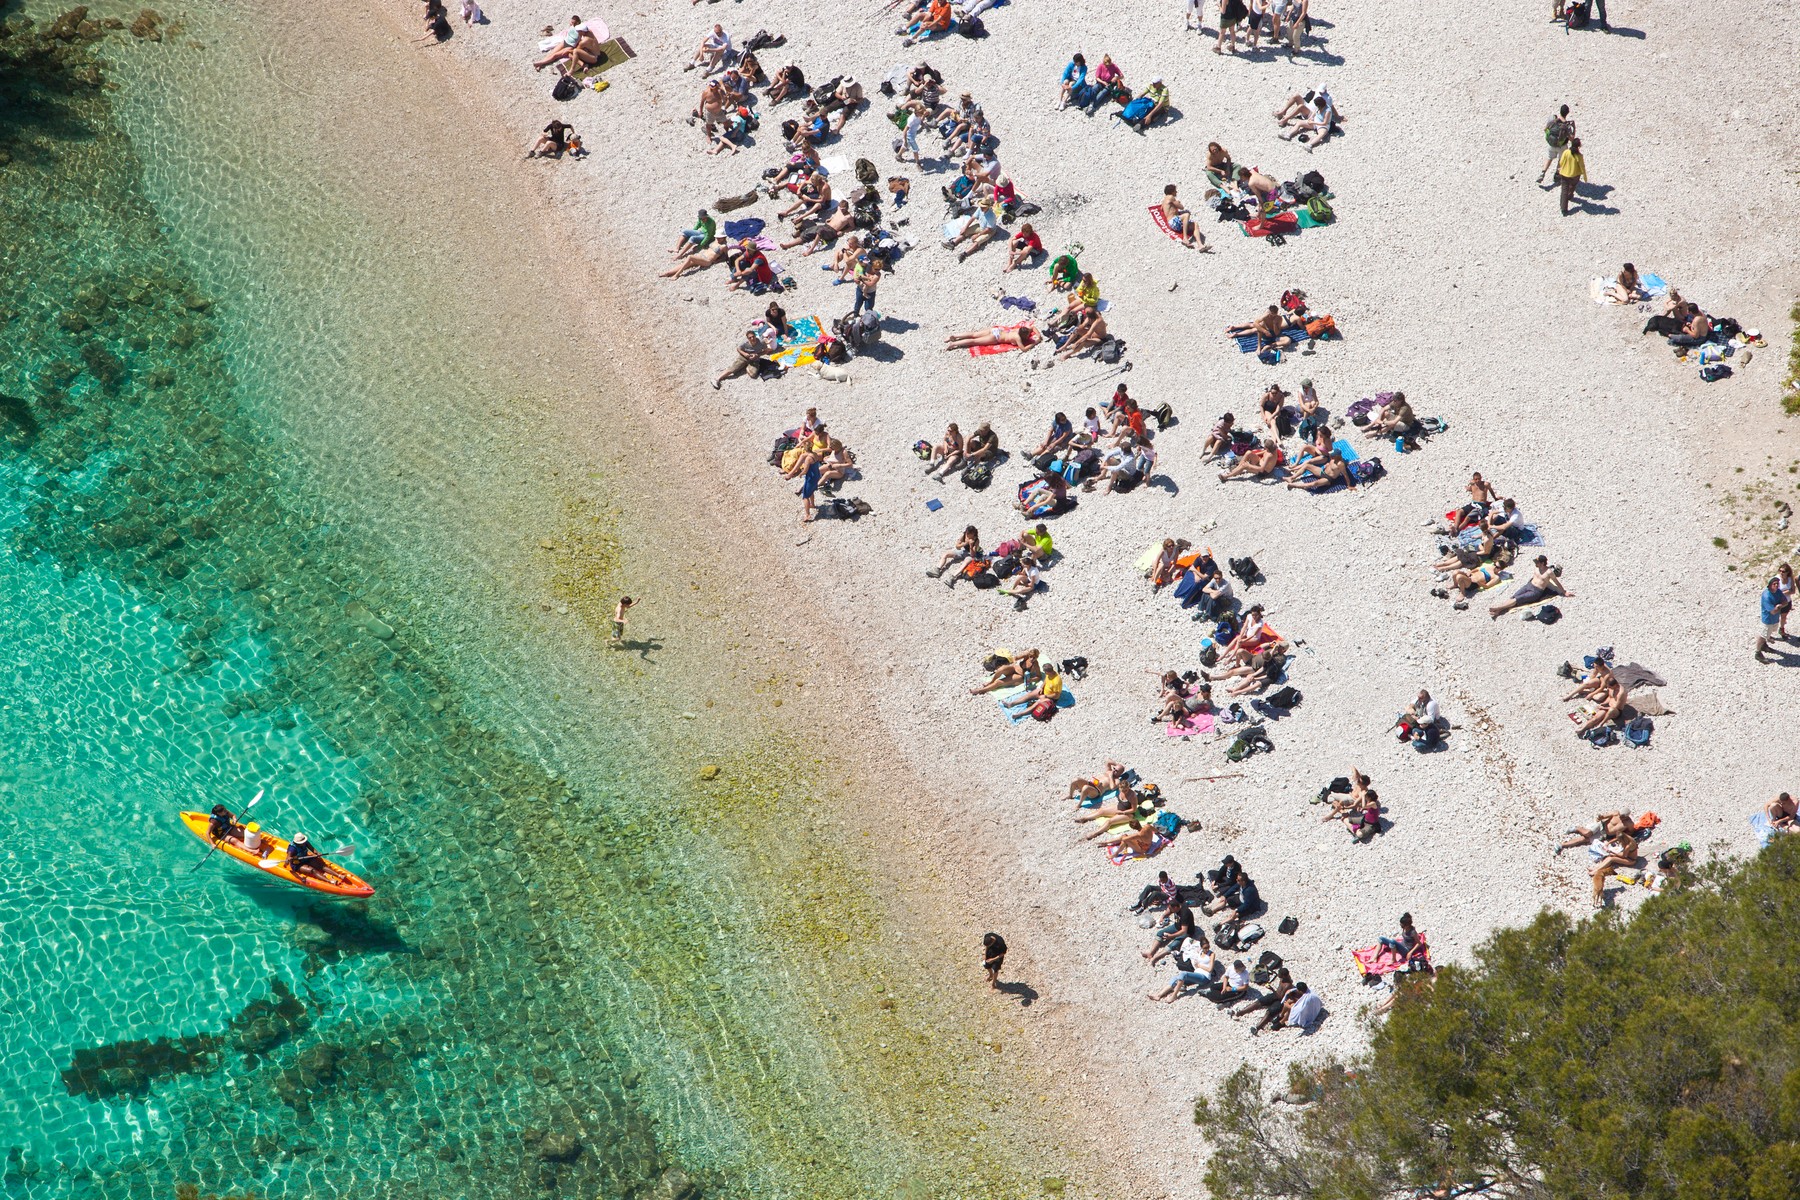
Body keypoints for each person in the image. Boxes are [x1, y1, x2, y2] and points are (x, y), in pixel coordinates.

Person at [1489, 555, 1570, 618]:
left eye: (1537, 562)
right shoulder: (1537, 568)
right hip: (1529, 585)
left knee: (1517, 599)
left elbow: (1557, 582)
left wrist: (1564, 592)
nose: (1535, 563)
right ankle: (1499, 610)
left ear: (1542, 563)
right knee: (1513, 597)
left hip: (1536, 591)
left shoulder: (1549, 572)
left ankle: (1498, 608)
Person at [1159, 184, 1211, 251]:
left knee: (1195, 225)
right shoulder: (1171, 197)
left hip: (1173, 222)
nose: (1176, 192)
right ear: (1172, 191)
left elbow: (1162, 208)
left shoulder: (1164, 200)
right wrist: (1177, 203)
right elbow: (1181, 207)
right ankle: (1185, 238)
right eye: (1175, 191)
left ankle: (1200, 245)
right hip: (1173, 221)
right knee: (1186, 215)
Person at [1538, 104, 1574, 186]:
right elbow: (1571, 139)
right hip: (1562, 146)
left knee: (1549, 158)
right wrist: (1573, 128)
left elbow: (1545, 129)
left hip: (1551, 144)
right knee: (1561, 160)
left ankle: (1543, 172)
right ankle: (1557, 175)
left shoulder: (1553, 121)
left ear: (1560, 111)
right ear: (1567, 113)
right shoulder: (1566, 125)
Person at [1757, 577, 1791, 662]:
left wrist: (1779, 606)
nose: (1776, 585)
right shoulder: (1766, 596)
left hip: (1775, 619)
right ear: (1770, 585)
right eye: (1774, 584)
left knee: (1768, 633)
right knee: (1762, 635)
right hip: (1768, 620)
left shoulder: (1778, 592)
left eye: (1777, 584)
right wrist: (1779, 606)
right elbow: (1772, 611)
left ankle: (1764, 645)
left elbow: (1785, 602)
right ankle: (1757, 652)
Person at [944, 323, 1040, 351]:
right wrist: (1034, 343)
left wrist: (1039, 335)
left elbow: (1033, 327)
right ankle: (954, 343)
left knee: (974, 334)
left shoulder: (1019, 330)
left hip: (996, 330)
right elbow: (1023, 349)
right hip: (996, 338)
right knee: (974, 341)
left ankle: (954, 336)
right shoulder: (1017, 337)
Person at [1555, 136, 1587, 217]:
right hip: (1575, 175)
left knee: (1564, 191)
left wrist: (1560, 169)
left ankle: (1564, 209)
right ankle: (1570, 195)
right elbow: (1582, 166)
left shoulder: (1566, 152)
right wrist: (1585, 177)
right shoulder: (1579, 156)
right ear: (1579, 146)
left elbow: (1561, 162)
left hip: (1565, 174)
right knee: (1572, 186)